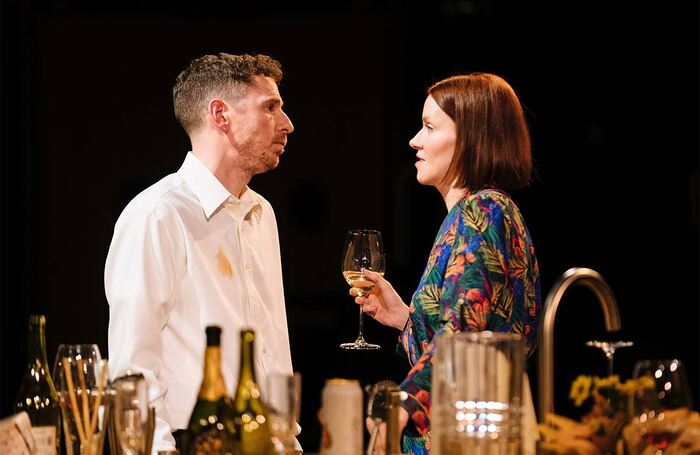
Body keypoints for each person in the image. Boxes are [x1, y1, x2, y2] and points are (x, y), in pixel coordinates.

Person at [105, 52, 297, 452]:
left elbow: (272, 347)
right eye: (271, 108)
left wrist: (287, 441)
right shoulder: (156, 215)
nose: (287, 124)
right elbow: (131, 370)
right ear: (220, 115)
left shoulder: (262, 213)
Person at [352, 73, 541, 454]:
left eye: (429, 127)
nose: (414, 140)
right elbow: (463, 340)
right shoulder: (467, 217)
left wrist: (403, 406)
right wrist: (406, 319)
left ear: (470, 138)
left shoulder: (484, 212)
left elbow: (461, 341)